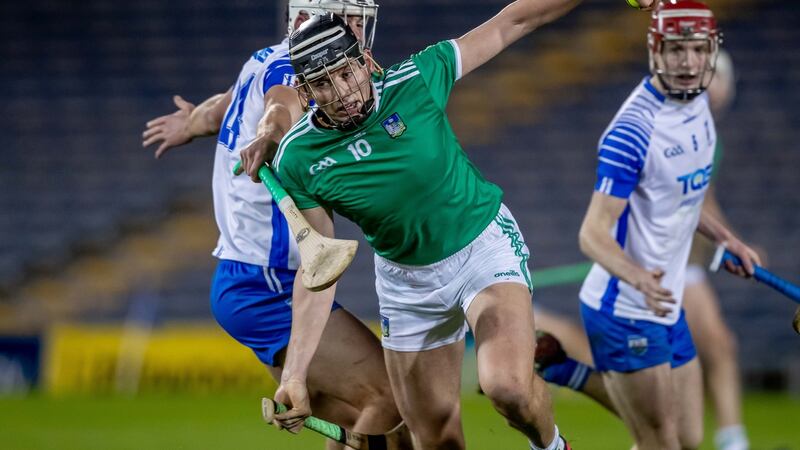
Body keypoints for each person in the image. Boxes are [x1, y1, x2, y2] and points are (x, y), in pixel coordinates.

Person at [267, 0, 636, 447]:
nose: (342, 91)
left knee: (509, 388)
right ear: (305, 90)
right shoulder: (298, 159)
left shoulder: (416, 79)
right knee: (436, 437)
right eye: (323, 83)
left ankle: (553, 446)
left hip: (481, 248)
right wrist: (295, 375)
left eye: (346, 73)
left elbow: (513, 22)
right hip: (407, 285)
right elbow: (319, 266)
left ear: (365, 62)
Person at [141, 3, 412, 449]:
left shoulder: (262, 59)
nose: (359, 30)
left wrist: (190, 124)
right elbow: (279, 108)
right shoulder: (293, 71)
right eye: (348, 18)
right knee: (390, 398)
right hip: (268, 283)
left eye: (360, 20)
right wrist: (270, 133)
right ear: (306, 19)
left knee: (366, 420)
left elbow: (219, 109)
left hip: (252, 279)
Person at [537, 49, 754, 450]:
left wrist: (725, 239)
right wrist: (639, 278)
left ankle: (569, 373)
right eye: (679, 51)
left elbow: (684, 201)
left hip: (666, 301)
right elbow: (590, 234)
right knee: (660, 438)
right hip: (626, 306)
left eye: (699, 52)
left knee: (686, 436)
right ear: (659, 53)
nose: (690, 63)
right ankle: (734, 439)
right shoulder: (634, 130)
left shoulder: (697, 117)